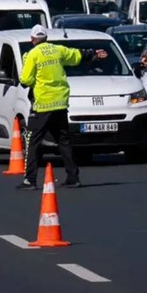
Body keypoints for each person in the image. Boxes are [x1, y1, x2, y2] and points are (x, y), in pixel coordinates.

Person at [17, 25, 108, 191]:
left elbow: (25, 80)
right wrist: (94, 54)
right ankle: (73, 177)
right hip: (60, 103)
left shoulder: (33, 54)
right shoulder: (57, 50)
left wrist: (27, 70)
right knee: (63, 141)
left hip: (42, 105)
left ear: (32, 39)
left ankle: (30, 180)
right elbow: (76, 55)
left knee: (33, 142)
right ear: (46, 38)